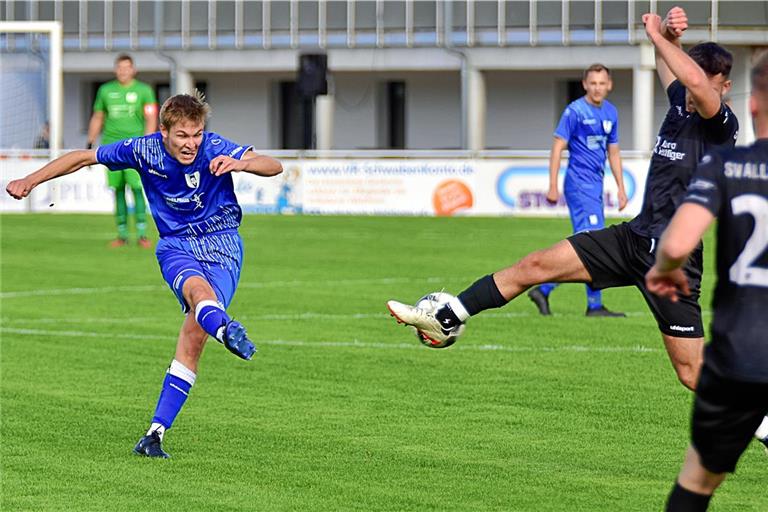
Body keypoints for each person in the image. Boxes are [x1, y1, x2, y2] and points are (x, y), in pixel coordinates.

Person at [387, 6, 738, 393]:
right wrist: (669, 39)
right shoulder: (680, 105)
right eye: (690, 84)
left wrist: (657, 37)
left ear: (724, 86)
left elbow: (693, 81)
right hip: (632, 240)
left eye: (704, 83)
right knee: (534, 265)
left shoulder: (720, 123)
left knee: (691, 374)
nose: (692, 90)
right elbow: (676, 73)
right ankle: (448, 316)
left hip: (673, 260)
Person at [6, 92, 283, 458]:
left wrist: (240, 165)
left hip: (223, 246)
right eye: (183, 135)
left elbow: (272, 165)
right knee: (198, 294)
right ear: (164, 131)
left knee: (191, 339)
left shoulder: (215, 146)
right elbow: (83, 157)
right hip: (176, 246)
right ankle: (224, 329)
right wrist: (31, 179)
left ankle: (154, 435)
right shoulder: (143, 150)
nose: (191, 143)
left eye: (196, 134)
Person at [646, 50, 768, 512]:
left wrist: (663, 269)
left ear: (751, 104)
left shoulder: (727, 165)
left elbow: (676, 244)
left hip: (741, 355)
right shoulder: (699, 114)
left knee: (696, 484)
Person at [528, 63, 628, 318]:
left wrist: (621, 187)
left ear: (609, 85)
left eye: (601, 83)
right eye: (592, 83)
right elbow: (557, 146)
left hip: (595, 185)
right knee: (593, 244)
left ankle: (548, 291)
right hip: (578, 184)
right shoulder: (575, 111)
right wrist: (552, 184)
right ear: (585, 84)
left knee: (589, 244)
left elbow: (613, 152)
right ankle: (589, 304)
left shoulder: (611, 113)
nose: (597, 87)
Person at [87, 53, 158, 248]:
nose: (123, 71)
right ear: (115, 69)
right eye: (120, 67)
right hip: (111, 147)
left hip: (135, 147)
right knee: (117, 190)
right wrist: (90, 140)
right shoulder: (105, 90)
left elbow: (151, 117)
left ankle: (142, 234)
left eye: (127, 67)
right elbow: (98, 116)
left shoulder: (144, 90)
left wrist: (147, 141)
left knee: (137, 188)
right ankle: (122, 234)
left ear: (133, 69)